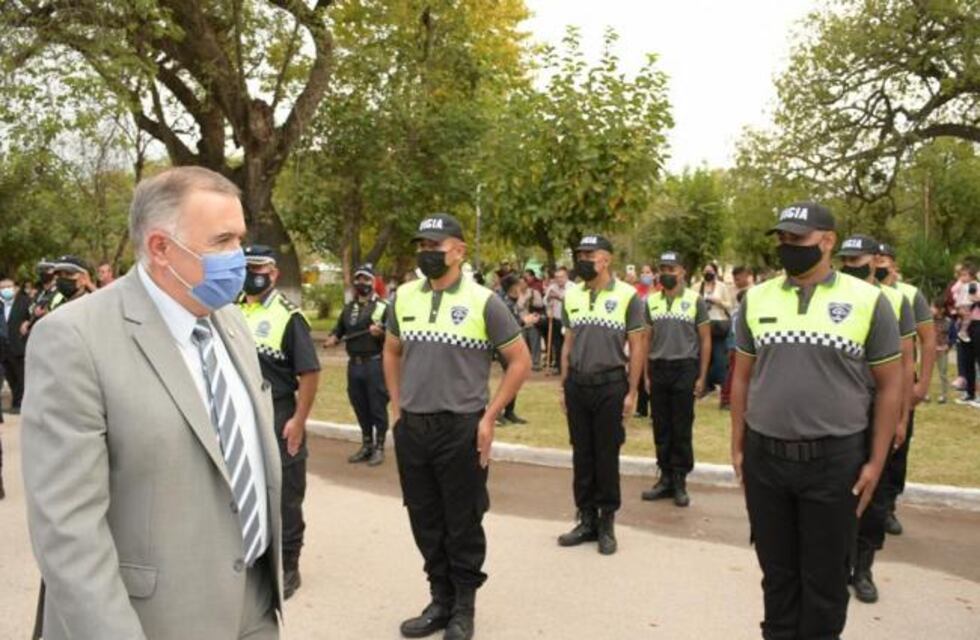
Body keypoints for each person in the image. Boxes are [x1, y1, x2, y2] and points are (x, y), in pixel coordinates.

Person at [22, 166, 284, 639]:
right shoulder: (74, 338)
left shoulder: (229, 323)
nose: (239, 258)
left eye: (240, 239)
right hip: (153, 621)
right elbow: (68, 530)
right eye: (222, 241)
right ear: (161, 248)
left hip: (254, 608)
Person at [730, 202, 903, 640]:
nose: (787, 246)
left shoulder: (869, 301)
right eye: (782, 238)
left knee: (825, 580)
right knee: (778, 575)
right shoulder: (756, 299)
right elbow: (742, 378)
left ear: (828, 241)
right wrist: (738, 446)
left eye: (797, 238)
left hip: (834, 464)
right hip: (766, 460)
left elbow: (889, 387)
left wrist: (876, 463)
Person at [384, 213, 530, 640]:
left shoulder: (485, 302)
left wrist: (490, 416)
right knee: (424, 517)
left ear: (460, 251)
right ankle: (440, 600)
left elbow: (519, 361)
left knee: (462, 520)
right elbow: (391, 352)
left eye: (436, 245)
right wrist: (397, 406)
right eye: (422, 246)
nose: (427, 253)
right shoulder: (403, 297)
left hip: (461, 429)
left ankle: (464, 607)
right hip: (414, 428)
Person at [239, 244, 322, 600]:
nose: (251, 274)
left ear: (273, 274)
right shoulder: (229, 310)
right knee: (244, 487)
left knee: (287, 492)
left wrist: (299, 420)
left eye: (258, 268)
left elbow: (310, 373)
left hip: (278, 412)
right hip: (240, 413)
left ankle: (289, 565)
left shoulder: (290, 317)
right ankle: (252, 558)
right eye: (246, 267)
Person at [838, 234, 915, 604]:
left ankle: (863, 568)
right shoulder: (835, 300)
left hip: (878, 405)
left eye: (857, 260)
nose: (850, 267)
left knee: (876, 490)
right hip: (842, 406)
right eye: (846, 260)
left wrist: (901, 417)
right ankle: (839, 563)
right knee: (842, 488)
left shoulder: (896, 301)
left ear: (874, 260)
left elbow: (905, 363)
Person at [557, 235, 646, 555]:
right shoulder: (572, 295)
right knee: (582, 454)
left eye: (589, 255)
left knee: (606, 455)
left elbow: (637, 345)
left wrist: (632, 391)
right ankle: (586, 519)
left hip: (610, 385)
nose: (582, 260)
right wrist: (563, 385)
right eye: (579, 254)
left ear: (606, 259)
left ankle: (607, 522)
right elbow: (568, 343)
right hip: (577, 385)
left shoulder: (627, 296)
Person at [875, 243, 938, 535]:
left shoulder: (910, 295)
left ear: (894, 264)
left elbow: (928, 340)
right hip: (868, 380)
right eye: (875, 258)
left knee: (897, 445)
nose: (879, 263)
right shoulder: (858, 292)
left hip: (901, 379)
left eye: (884, 259)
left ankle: (887, 506)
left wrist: (922, 384)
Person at [641, 251, 711, 507]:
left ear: (682, 272)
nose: (666, 274)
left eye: (671, 269)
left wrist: (702, 376)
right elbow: (646, 339)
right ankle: (665, 478)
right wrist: (646, 374)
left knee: (681, 426)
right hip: (658, 368)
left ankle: (680, 480)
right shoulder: (651, 302)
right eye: (663, 269)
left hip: (684, 368)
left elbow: (705, 339)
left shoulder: (695, 300)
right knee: (661, 426)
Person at [324, 263, 390, 465]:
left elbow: (394, 337)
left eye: (366, 279)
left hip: (375, 364)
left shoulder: (383, 307)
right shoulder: (349, 308)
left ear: (374, 282)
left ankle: (379, 447)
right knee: (360, 405)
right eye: (359, 279)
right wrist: (333, 337)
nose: (362, 283)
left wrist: (381, 333)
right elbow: (339, 329)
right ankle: (366, 444)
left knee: (377, 406)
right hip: (354, 365)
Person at [498, 274, 534, 425]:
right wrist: (524, 321)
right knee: (512, 376)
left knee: (514, 376)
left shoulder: (511, 301)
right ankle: (500, 411)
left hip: (511, 343)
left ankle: (509, 411)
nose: (522, 286)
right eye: (519, 284)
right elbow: (509, 324)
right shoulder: (505, 303)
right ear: (513, 287)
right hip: (505, 345)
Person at [699, 262, 735, 393]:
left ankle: (717, 381)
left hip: (719, 325)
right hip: (703, 324)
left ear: (715, 272)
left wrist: (718, 302)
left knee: (719, 358)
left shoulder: (722, 287)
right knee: (704, 356)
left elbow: (730, 305)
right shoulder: (698, 286)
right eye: (705, 271)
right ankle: (706, 385)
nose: (707, 273)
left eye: (710, 271)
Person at [950, 261, 980, 406]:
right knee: (967, 360)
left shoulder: (977, 286)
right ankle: (969, 393)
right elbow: (954, 292)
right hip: (965, 324)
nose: (963, 277)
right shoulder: (962, 286)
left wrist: (976, 299)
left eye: (966, 275)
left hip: (977, 324)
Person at [0, 277, 31, 414]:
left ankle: (19, 404)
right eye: (2, 287)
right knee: (10, 377)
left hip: (19, 345)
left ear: (15, 288)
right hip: (3, 348)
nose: (5, 290)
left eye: (8, 286)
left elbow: (32, 317)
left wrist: (27, 322)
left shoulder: (25, 302)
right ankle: (16, 402)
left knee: (21, 377)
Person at [633, 264, 657, 418]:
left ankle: (656, 409)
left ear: (654, 275)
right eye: (642, 272)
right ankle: (641, 408)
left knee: (653, 371)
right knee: (641, 370)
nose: (645, 275)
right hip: (640, 336)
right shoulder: (637, 292)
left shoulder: (660, 293)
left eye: (647, 272)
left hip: (655, 336)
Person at [543, 266, 569, 373]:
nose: (559, 279)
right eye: (557, 277)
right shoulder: (552, 287)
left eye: (561, 277)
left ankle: (570, 367)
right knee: (557, 344)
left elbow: (571, 301)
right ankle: (559, 367)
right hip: (556, 319)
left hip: (569, 321)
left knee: (569, 343)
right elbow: (545, 301)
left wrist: (558, 296)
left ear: (566, 277)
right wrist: (549, 298)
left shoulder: (573, 287)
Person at [932, 297, 952, 404]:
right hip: (930, 350)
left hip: (942, 350)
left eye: (934, 307)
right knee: (927, 372)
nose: (932, 309)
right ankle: (924, 394)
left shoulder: (948, 321)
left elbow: (953, 336)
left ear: (942, 309)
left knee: (943, 373)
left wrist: (947, 346)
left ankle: (944, 395)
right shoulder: (929, 320)